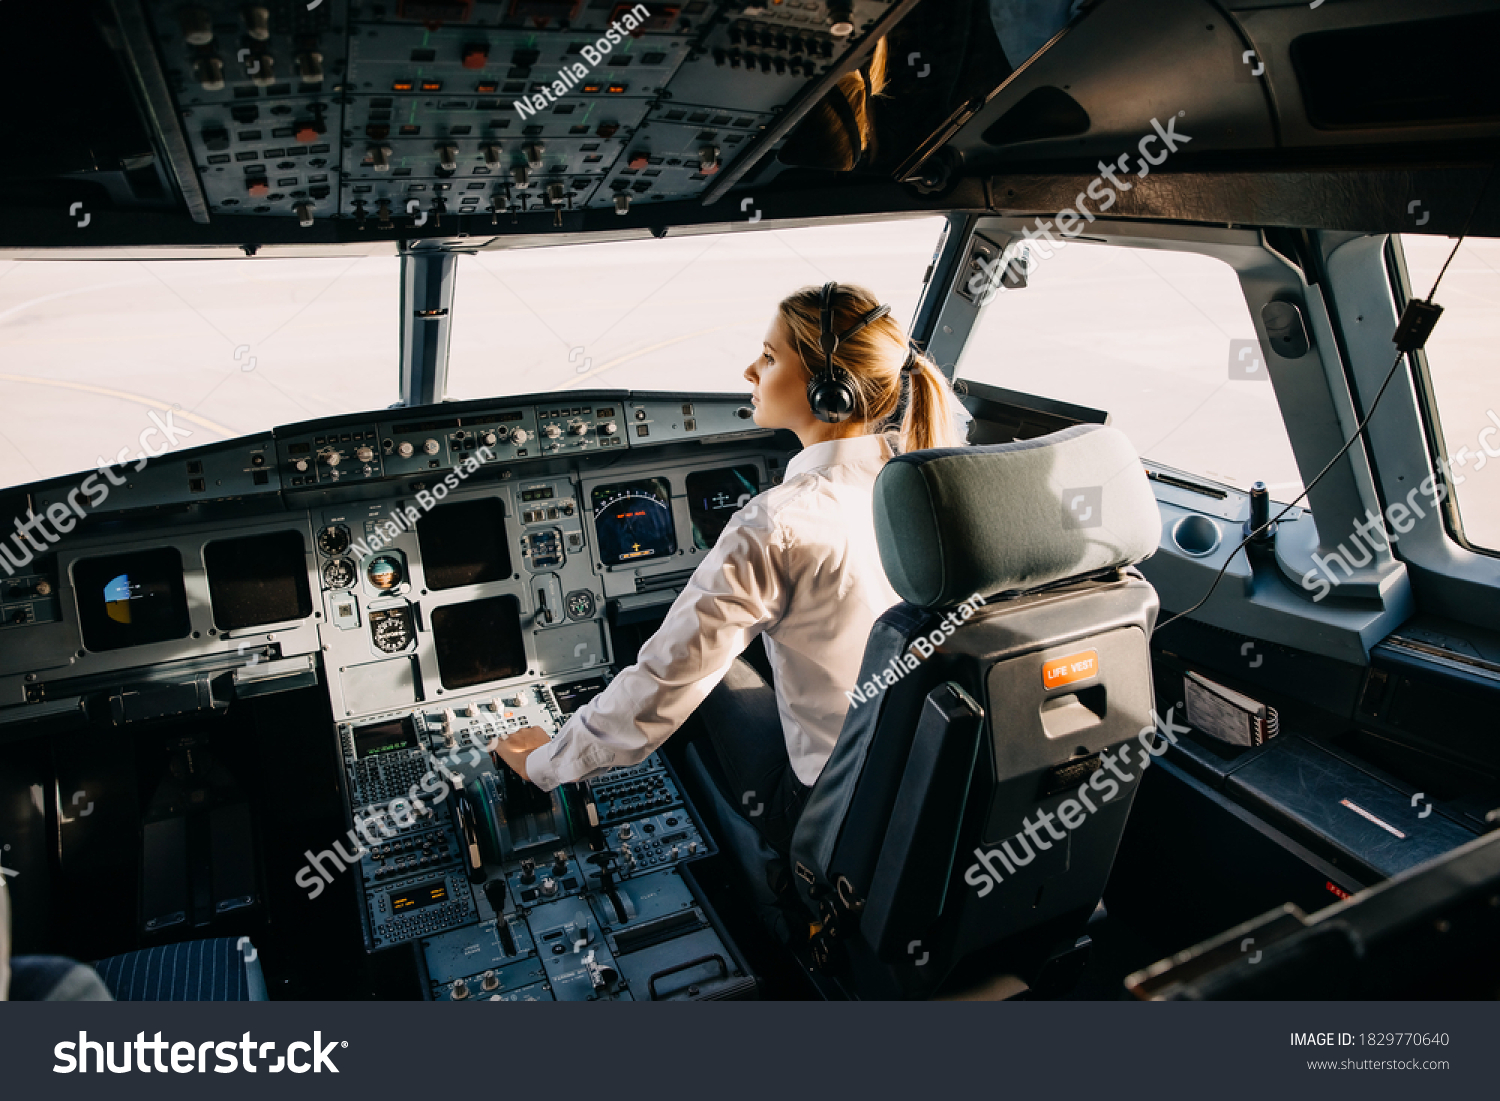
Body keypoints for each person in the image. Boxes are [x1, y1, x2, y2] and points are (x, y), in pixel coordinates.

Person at [492, 283, 968, 852]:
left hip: (830, 811)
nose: (750, 369)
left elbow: (661, 689)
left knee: (687, 667)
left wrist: (544, 763)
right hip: (930, 780)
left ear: (829, 393)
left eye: (769, 358)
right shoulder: (929, 482)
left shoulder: (777, 523)